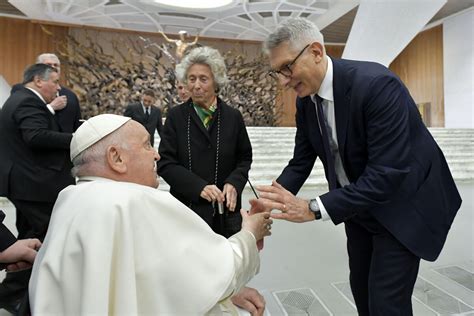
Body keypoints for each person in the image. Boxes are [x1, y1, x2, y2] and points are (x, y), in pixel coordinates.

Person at [252, 18, 462, 316]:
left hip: (402, 205)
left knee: (386, 303)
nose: (283, 81)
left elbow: (387, 174)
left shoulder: (377, 85)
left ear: (315, 52)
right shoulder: (306, 101)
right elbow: (301, 161)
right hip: (359, 208)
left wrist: (313, 208)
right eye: (277, 72)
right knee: (362, 291)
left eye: (287, 68)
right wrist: (271, 200)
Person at [29, 114, 272, 315]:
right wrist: (251, 231)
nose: (156, 154)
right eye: (146, 144)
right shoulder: (135, 201)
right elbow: (218, 267)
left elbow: (155, 279)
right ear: (116, 158)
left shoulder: (70, 199)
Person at [0, 63, 75, 313]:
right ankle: (14, 295)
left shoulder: (20, 98)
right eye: (54, 80)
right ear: (37, 80)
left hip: (26, 184)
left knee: (30, 237)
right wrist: (79, 137)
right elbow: (35, 136)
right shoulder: (27, 101)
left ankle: (14, 296)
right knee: (44, 240)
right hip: (33, 184)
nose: (58, 86)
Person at [158, 46, 252, 238]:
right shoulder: (176, 117)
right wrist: (198, 187)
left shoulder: (233, 117)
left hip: (225, 213)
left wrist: (234, 183)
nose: (196, 85)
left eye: (203, 79)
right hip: (187, 211)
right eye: (191, 79)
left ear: (216, 82)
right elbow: (165, 163)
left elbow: (244, 158)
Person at [11, 53, 82, 133]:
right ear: (38, 68)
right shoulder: (23, 89)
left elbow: (77, 126)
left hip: (66, 143)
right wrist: (51, 107)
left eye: (56, 65)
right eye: (48, 65)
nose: (53, 67)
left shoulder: (70, 95)